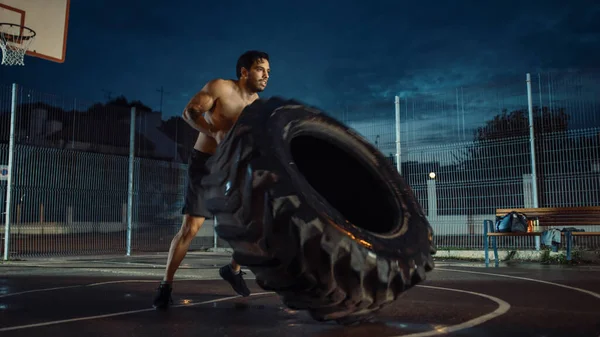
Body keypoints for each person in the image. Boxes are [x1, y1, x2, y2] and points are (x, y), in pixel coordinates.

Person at [153, 50, 271, 309]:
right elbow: (190, 113)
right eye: (261, 69)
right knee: (191, 229)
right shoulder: (220, 88)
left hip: (233, 167)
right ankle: (166, 285)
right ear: (244, 72)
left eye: (268, 72)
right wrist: (214, 131)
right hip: (205, 164)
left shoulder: (258, 106)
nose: (266, 75)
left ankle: (233, 269)